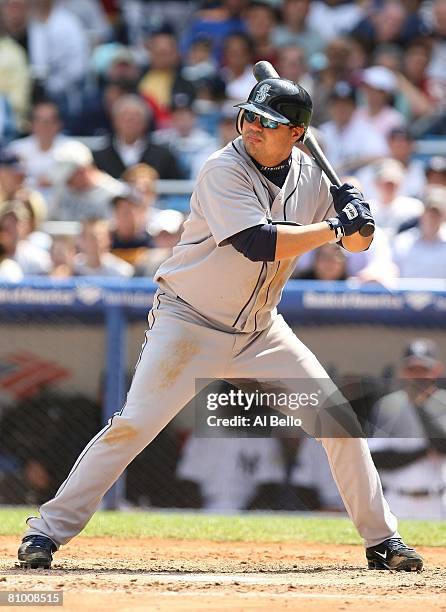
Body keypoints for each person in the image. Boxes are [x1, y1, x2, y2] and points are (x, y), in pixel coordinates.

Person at [18, 76, 423, 573]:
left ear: (296, 134)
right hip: (189, 322)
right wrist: (335, 228)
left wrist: (359, 220)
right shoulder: (221, 168)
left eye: (267, 122)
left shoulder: (314, 179)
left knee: (339, 423)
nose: (251, 127)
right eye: (249, 116)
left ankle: (382, 540)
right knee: (132, 426)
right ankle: (46, 531)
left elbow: (356, 248)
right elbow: (257, 241)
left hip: (260, 331)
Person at [368, 339, 446, 520]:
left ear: (437, 370)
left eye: (424, 369)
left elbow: (443, 446)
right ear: (403, 371)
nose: (418, 375)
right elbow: (376, 458)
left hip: (438, 499)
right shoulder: (388, 404)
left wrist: (420, 406)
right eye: (412, 369)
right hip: (396, 499)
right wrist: (425, 451)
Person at [92, 94, 184, 180]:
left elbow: (176, 189)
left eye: (136, 116)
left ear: (146, 121)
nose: (130, 120)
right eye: (125, 116)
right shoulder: (99, 157)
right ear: (114, 120)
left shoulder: (164, 156)